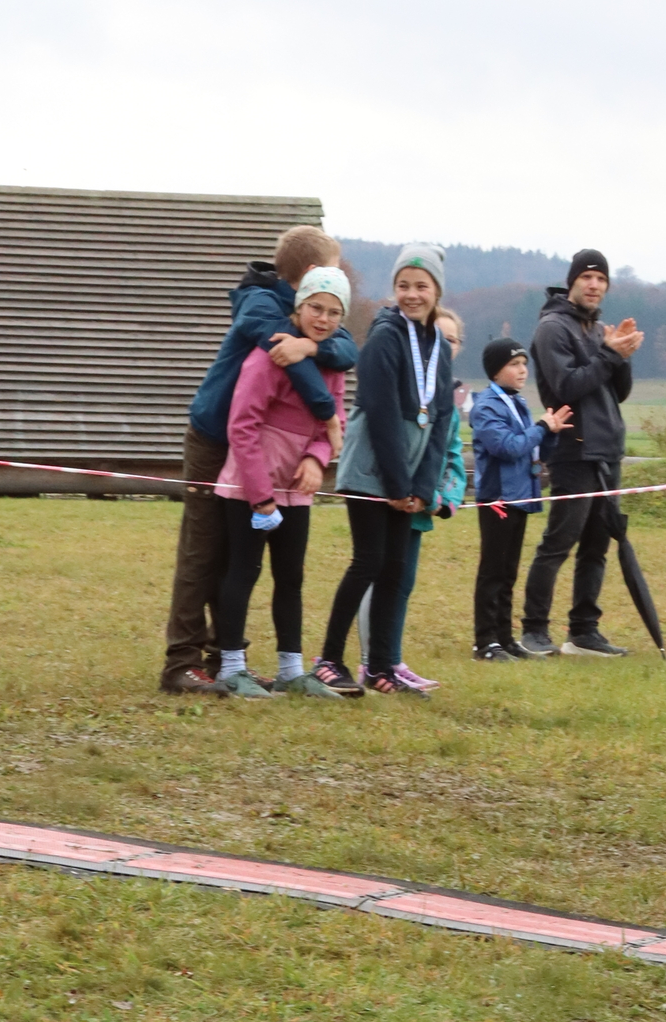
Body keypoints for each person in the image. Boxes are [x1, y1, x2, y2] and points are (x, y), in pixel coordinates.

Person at [159, 226, 358, 696]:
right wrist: (327, 414)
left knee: (236, 557)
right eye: (331, 271)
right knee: (203, 551)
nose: (325, 315)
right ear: (312, 272)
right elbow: (290, 362)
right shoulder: (261, 307)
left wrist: (315, 346)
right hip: (217, 437)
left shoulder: (312, 317)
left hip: (267, 452)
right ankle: (182, 662)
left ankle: (225, 659)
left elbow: (345, 350)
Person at [316, 245, 455, 696]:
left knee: (394, 568)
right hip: (371, 470)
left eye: (421, 286)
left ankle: (379, 668)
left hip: (407, 478)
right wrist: (397, 484)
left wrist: (422, 487)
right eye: (403, 286)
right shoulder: (384, 337)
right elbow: (380, 412)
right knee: (368, 562)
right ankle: (329, 659)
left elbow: (441, 421)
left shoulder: (440, 347)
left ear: (436, 291)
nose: (412, 294)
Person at [208, 268, 351, 697]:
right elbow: (242, 427)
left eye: (333, 313)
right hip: (249, 489)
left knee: (291, 578)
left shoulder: (331, 365)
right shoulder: (267, 358)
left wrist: (315, 459)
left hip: (296, 492)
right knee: (243, 571)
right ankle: (231, 667)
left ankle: (291, 670)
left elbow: (334, 421)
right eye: (315, 308)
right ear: (299, 306)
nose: (323, 319)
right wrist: (260, 497)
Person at [519, 248, 643, 656]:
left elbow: (617, 393)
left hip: (607, 450)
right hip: (574, 450)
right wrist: (609, 355)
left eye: (601, 279)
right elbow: (567, 387)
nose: (594, 285)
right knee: (559, 542)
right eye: (587, 277)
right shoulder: (553, 328)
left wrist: (620, 356)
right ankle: (534, 630)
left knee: (597, 546)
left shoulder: (594, 329)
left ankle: (584, 632)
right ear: (571, 282)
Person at [377, 305, 470, 692]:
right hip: (392, 498)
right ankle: (372, 661)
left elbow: (451, 454)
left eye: (452, 340)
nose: (445, 346)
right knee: (378, 579)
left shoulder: (449, 398)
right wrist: (406, 488)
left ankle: (392, 659)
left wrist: (444, 496)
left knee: (404, 583)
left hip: (421, 505)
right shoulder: (408, 383)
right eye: (438, 338)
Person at [471, 338, 571, 659]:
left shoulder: (518, 403)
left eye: (524, 364)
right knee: (493, 572)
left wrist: (550, 434)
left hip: (521, 497)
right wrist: (541, 427)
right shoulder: (486, 406)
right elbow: (508, 447)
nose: (522, 370)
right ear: (495, 371)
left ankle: (505, 638)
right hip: (498, 499)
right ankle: (485, 641)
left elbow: (532, 448)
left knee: (508, 572)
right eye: (514, 364)